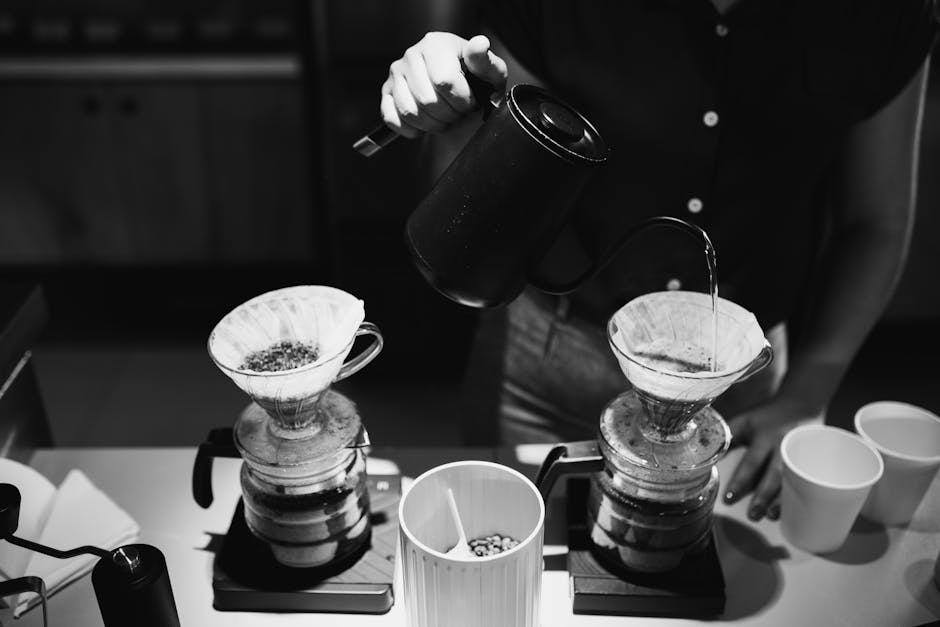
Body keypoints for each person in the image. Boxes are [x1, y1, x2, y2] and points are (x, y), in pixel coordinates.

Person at [376, 0, 938, 521]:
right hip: (546, 366)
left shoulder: (882, 14)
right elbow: (497, 165)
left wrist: (808, 391)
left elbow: (875, 221)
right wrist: (451, 106)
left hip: (739, 393)